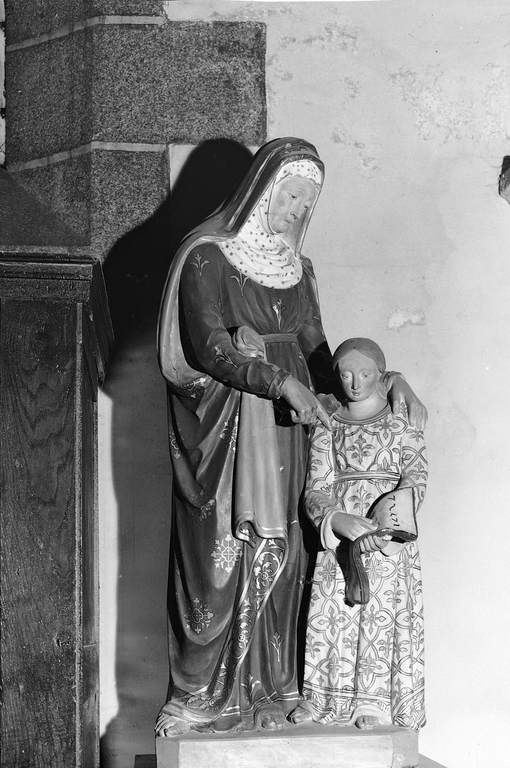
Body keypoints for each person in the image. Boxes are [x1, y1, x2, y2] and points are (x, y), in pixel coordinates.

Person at [155, 138, 426, 736]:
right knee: (225, 553)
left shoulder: (299, 271)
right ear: (261, 187)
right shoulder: (207, 256)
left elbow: (324, 363)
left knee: (292, 553)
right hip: (231, 427)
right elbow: (208, 347)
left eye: (310, 199)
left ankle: (276, 685)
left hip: (293, 431)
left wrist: (394, 379)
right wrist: (276, 381)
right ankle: (201, 694)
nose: (299, 208)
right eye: (292, 192)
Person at [292, 338, 427, 731]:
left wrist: (386, 526)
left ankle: (374, 703)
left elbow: (415, 479)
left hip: (388, 540)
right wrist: (338, 520)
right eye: (347, 373)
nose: (355, 382)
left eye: (366, 373)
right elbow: (316, 488)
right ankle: (321, 697)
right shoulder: (328, 425)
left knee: (378, 614)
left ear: (381, 376)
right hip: (341, 536)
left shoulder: (403, 422)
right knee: (333, 612)